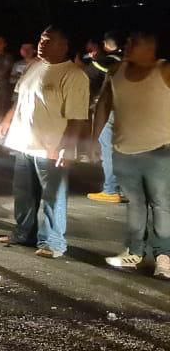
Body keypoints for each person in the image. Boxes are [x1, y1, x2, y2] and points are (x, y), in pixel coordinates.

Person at [0, 26, 90, 258]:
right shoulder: (34, 66)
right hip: (23, 142)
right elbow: (19, 99)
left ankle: (54, 242)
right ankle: (23, 233)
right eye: (41, 38)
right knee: (23, 193)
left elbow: (77, 117)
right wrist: (7, 120)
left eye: (48, 40)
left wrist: (67, 147)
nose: (41, 43)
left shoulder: (74, 75)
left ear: (64, 46)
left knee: (53, 196)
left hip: (51, 147)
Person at [93, 31, 170, 280]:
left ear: (150, 47)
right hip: (124, 150)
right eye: (127, 42)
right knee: (135, 204)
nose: (127, 46)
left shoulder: (164, 70)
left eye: (132, 43)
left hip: (160, 150)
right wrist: (94, 139)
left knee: (161, 205)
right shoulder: (115, 71)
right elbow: (104, 104)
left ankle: (164, 257)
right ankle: (134, 252)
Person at [87, 31, 126, 203]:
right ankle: (123, 189)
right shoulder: (127, 60)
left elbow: (88, 79)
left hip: (112, 109)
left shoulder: (106, 62)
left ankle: (110, 190)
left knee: (106, 145)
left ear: (105, 44)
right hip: (128, 111)